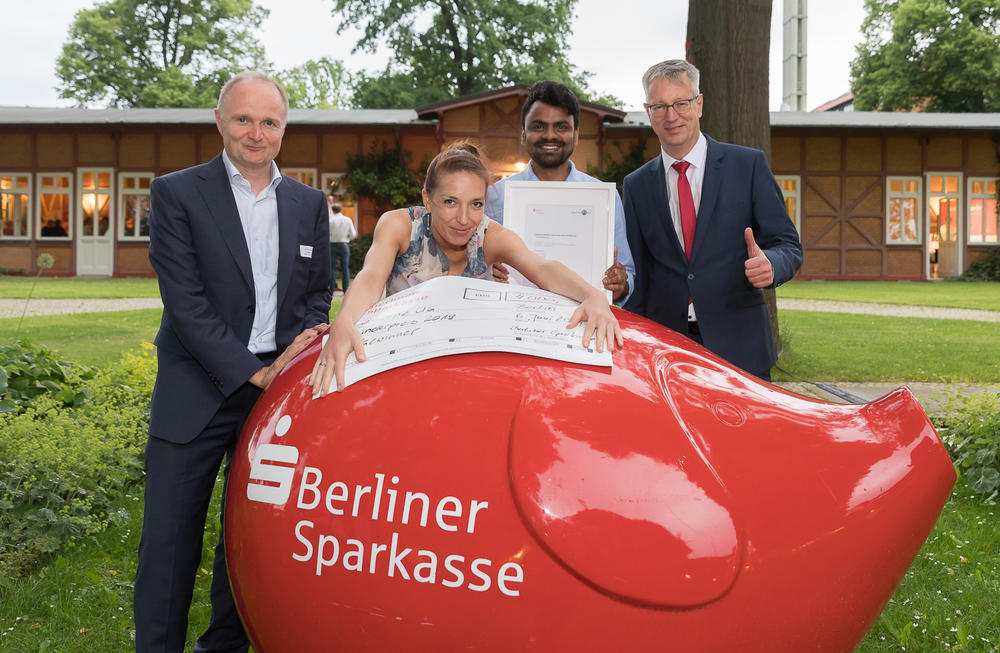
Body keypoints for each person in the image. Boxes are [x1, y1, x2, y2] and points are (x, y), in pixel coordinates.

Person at [136, 70, 331, 653]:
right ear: (220, 121)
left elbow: (318, 292)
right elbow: (186, 305)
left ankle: (223, 645)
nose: (255, 132)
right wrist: (254, 371)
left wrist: (287, 367)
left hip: (276, 398)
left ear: (284, 128)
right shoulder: (176, 193)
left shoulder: (309, 203)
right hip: (196, 391)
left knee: (246, 538)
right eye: (243, 119)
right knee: (170, 542)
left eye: (268, 121)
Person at [310, 147, 622, 396]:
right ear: (426, 198)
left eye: (476, 204)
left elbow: (541, 267)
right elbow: (370, 276)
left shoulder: (490, 236)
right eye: (449, 202)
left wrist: (591, 295)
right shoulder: (400, 225)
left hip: (468, 374)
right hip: (405, 368)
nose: (464, 218)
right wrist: (345, 320)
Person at [622, 59, 802, 381]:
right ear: (648, 112)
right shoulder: (636, 185)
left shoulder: (747, 166)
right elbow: (640, 274)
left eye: (681, 103)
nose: (671, 116)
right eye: (660, 106)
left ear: (699, 104)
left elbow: (787, 244)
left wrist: (772, 264)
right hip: (666, 352)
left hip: (740, 348)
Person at [486, 80, 635, 304]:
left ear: (575, 135)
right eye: (538, 126)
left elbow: (627, 274)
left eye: (561, 126)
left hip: (583, 326)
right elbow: (472, 266)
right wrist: (488, 273)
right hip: (512, 325)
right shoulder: (494, 197)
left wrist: (620, 284)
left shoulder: (603, 198)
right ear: (523, 134)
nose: (550, 135)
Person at [328, 198, 356, 292]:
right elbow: (353, 234)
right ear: (341, 210)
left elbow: (326, 234)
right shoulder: (347, 220)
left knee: (331, 269)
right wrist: (347, 239)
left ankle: (331, 290)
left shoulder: (330, 220)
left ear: (332, 210)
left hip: (332, 245)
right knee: (345, 269)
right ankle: (346, 290)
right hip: (344, 245)